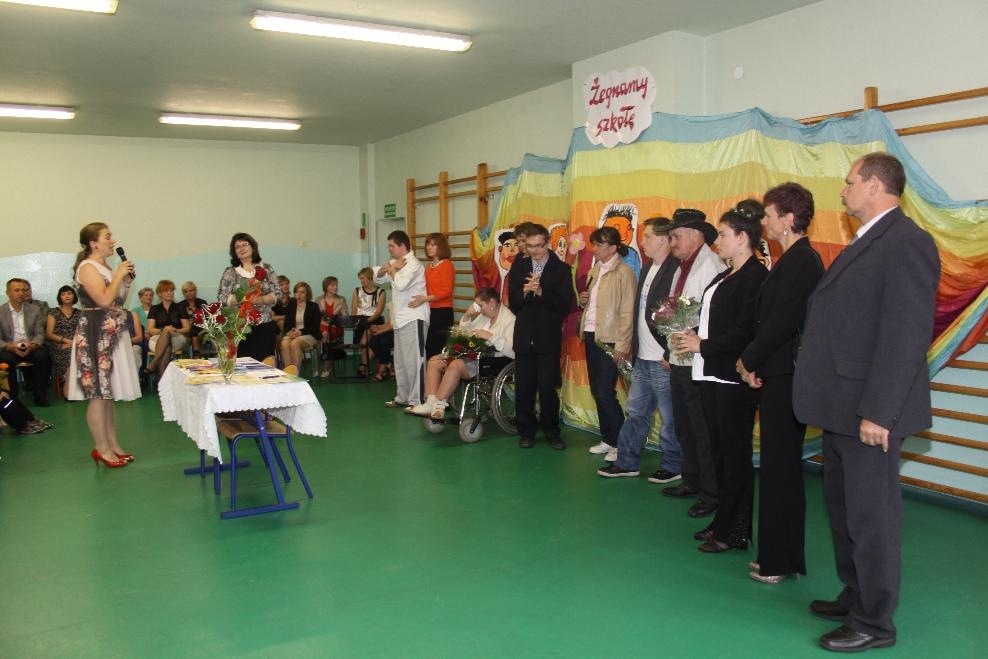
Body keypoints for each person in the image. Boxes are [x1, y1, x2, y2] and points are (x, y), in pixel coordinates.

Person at [793, 153, 939, 652]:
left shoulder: (906, 242)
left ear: (875, 185)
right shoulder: (869, 239)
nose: (843, 190)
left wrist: (880, 410)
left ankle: (875, 622)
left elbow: (905, 335)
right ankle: (855, 594)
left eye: (850, 182)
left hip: (869, 411)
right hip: (842, 407)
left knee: (872, 518)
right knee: (843, 510)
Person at [736, 183, 824, 584]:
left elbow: (782, 321)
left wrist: (748, 359)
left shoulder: (803, 260)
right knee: (777, 467)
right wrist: (759, 363)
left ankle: (780, 560)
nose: (765, 221)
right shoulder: (791, 259)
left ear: (788, 218)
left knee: (781, 468)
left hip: (789, 378)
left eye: (769, 215)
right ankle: (777, 555)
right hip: (777, 373)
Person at [675, 201, 767, 553]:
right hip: (711, 374)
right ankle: (722, 522)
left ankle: (735, 531)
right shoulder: (726, 274)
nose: (718, 242)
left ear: (743, 238)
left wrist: (704, 344)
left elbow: (746, 331)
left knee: (734, 457)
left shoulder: (755, 277)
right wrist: (694, 335)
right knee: (719, 454)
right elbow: (715, 321)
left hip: (731, 378)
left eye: (724, 235)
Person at [597, 217, 682, 482]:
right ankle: (627, 461)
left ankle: (673, 465)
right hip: (643, 356)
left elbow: (679, 315)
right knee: (636, 412)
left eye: (647, 237)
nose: (642, 242)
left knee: (670, 417)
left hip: (662, 358)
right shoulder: (646, 269)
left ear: (663, 239)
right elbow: (637, 313)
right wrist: (632, 347)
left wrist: (669, 352)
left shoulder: (676, 270)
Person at [659, 209, 727, 518]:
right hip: (680, 355)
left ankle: (711, 492)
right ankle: (692, 479)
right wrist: (669, 346)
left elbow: (707, 317)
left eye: (676, 236)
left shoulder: (710, 266)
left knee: (701, 428)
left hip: (697, 358)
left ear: (695, 235)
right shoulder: (682, 267)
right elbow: (677, 309)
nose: (672, 243)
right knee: (685, 424)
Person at [67, 221, 141, 468]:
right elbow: (103, 300)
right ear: (94, 243)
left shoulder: (106, 267)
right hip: (95, 333)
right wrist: (118, 275)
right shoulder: (87, 267)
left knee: (107, 395)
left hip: (112, 333)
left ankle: (113, 445)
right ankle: (101, 448)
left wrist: (125, 282)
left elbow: (117, 300)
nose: (113, 240)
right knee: (98, 394)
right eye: (107, 236)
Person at [508, 223, 574, 449]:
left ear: (547, 244)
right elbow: (513, 303)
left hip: (547, 337)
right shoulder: (519, 265)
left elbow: (565, 305)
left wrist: (541, 292)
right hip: (524, 336)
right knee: (524, 388)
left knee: (547, 388)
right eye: (530, 246)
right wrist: (524, 292)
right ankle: (526, 431)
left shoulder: (561, 269)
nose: (534, 250)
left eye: (538, 245)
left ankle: (552, 431)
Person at [407, 287, 516, 419]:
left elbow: (513, 352)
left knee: (456, 365)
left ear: (492, 303)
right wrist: (467, 316)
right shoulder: (484, 317)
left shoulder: (509, 320)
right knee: (435, 361)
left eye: (480, 305)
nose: (479, 310)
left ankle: (438, 405)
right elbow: (463, 334)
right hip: (471, 356)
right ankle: (430, 403)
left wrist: (491, 337)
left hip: (492, 362)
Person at [580, 226, 636, 456]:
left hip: (610, 338)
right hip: (591, 334)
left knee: (604, 391)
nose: (595, 248)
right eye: (594, 244)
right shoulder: (595, 270)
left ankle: (622, 442)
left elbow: (627, 311)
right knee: (597, 390)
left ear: (613, 247)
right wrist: (583, 300)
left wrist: (622, 345)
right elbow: (593, 304)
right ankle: (609, 438)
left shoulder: (625, 272)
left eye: (599, 244)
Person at [375, 230, 430, 407]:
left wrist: (392, 270)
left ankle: (417, 400)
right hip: (400, 320)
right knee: (400, 362)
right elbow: (377, 277)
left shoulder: (414, 265)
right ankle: (403, 397)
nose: (389, 249)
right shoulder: (395, 263)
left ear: (402, 245)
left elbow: (401, 284)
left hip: (414, 318)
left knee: (414, 361)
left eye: (391, 246)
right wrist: (388, 269)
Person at [217, 232, 281, 362]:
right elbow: (221, 297)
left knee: (266, 364)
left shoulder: (267, 268)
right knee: (243, 365)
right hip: (240, 327)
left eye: (245, 244)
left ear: (253, 246)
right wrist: (242, 298)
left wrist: (262, 299)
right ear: (234, 252)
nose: (241, 248)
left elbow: (277, 293)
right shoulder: (230, 272)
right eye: (237, 246)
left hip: (265, 325)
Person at [0, 278, 53, 407]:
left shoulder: (34, 310)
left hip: (31, 346)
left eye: (23, 290)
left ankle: (40, 397)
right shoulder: (1, 311)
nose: (21, 293)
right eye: (17, 290)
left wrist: (33, 345)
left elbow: (40, 333)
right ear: (8, 292)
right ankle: (13, 398)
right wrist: (10, 346)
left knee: (44, 356)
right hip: (10, 347)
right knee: (5, 360)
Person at [418, 232, 456, 360]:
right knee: (429, 347)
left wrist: (425, 299)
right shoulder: (429, 266)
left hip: (442, 313)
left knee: (438, 349)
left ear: (441, 247)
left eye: (433, 245)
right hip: (430, 311)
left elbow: (446, 291)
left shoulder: (446, 265)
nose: (429, 247)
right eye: (428, 244)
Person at [145, 280, 191, 381]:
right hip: (157, 338)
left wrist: (174, 330)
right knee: (166, 345)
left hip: (177, 337)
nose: (170, 293)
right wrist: (164, 330)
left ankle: (154, 364)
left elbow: (187, 328)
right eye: (166, 291)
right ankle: (163, 381)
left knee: (167, 336)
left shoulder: (180, 307)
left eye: (171, 290)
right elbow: (150, 330)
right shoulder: (154, 309)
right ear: (159, 293)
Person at [351, 267, 386, 377]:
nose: (361, 281)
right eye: (360, 279)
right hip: (360, 321)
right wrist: (356, 321)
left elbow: (378, 312)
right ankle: (365, 366)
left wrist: (366, 321)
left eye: (363, 278)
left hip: (375, 321)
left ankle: (363, 366)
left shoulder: (381, 291)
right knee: (363, 342)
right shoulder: (357, 290)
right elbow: (354, 309)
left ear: (370, 278)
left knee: (365, 339)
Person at [279, 282, 321, 372]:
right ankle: (289, 373)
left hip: (310, 334)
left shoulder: (313, 306)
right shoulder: (291, 306)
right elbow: (286, 325)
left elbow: (315, 326)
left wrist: (300, 332)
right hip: (294, 334)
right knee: (284, 343)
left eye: (302, 292)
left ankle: (296, 373)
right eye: (297, 292)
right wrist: (288, 332)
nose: (299, 295)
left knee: (295, 343)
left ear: (307, 294)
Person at [45, 285, 81, 386]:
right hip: (58, 345)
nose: (67, 296)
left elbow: (82, 332)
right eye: (63, 294)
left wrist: (73, 344)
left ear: (74, 296)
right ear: (60, 297)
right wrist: (67, 341)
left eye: (69, 293)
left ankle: (82, 385)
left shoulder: (80, 313)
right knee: (69, 354)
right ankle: (67, 385)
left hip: (76, 344)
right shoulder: (53, 312)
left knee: (86, 353)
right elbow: (49, 334)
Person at [315, 276, 349, 377]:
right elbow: (315, 317)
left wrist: (333, 323)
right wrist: (326, 324)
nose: (335, 287)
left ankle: (326, 365)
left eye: (336, 285)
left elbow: (345, 317)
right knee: (322, 334)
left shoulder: (341, 299)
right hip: (321, 326)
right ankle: (321, 364)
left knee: (325, 334)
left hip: (336, 327)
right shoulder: (318, 299)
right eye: (332, 285)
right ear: (326, 287)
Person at [368, 301, 395, 382]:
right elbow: (389, 324)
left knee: (383, 340)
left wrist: (380, 331)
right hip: (390, 331)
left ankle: (382, 369)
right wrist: (378, 326)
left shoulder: (405, 304)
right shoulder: (391, 305)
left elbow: (396, 324)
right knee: (374, 341)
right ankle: (389, 364)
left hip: (400, 333)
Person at [180, 282, 208, 355]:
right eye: (186, 292)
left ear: (195, 291)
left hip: (200, 330)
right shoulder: (180, 305)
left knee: (195, 326)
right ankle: (196, 354)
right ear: (183, 293)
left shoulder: (202, 303)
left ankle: (195, 354)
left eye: (191, 290)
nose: (188, 293)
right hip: (186, 331)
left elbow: (206, 319)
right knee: (193, 332)